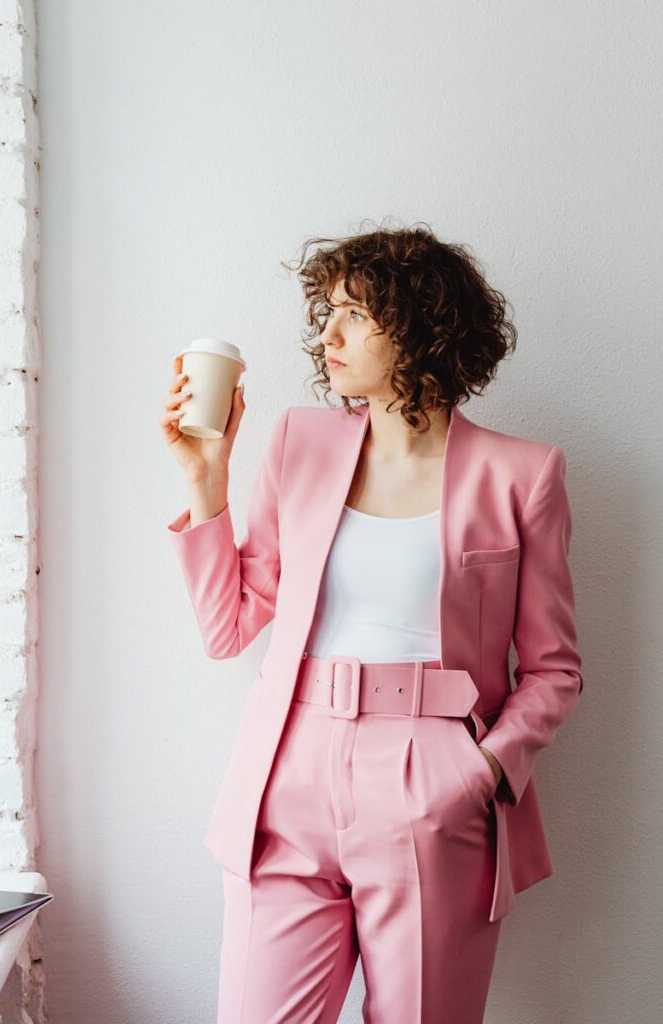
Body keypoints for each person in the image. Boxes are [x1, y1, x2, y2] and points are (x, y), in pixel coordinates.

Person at [160, 223, 584, 1023]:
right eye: (326, 312)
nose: (327, 335)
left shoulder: (522, 475)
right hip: (287, 771)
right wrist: (205, 481)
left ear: (422, 325)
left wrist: (478, 772)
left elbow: (554, 669)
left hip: (431, 776)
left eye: (353, 314)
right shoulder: (298, 441)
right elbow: (227, 626)